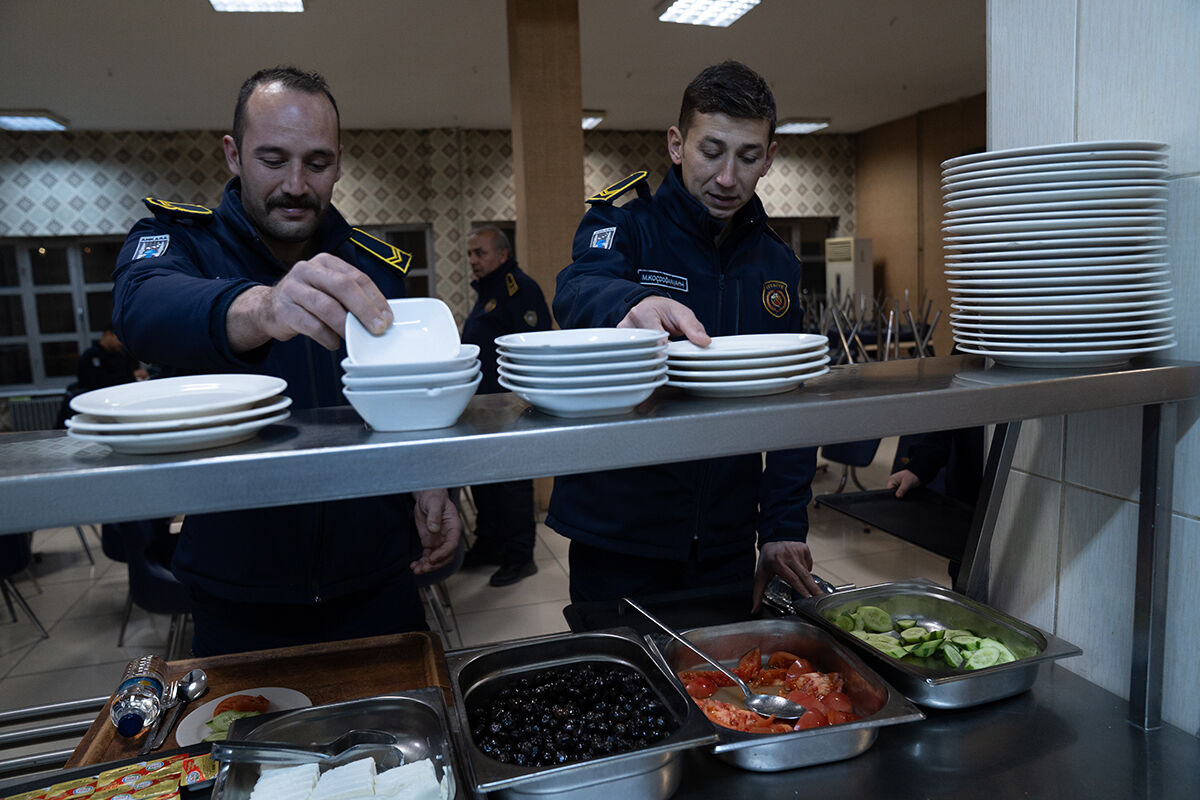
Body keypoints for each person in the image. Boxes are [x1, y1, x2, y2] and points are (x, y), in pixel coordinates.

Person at [111, 66, 460, 655]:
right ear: (233, 154)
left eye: (317, 163)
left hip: (377, 579)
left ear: (340, 162)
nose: (296, 184)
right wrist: (261, 307)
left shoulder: (374, 266)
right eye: (273, 159)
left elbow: (412, 390)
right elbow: (141, 310)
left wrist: (431, 481)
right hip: (238, 591)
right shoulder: (181, 243)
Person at [550, 61, 821, 609]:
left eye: (747, 157)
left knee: (718, 688)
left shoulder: (777, 262)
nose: (727, 178)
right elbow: (577, 288)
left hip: (724, 542)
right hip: (617, 534)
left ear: (769, 158)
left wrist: (783, 526)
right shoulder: (627, 225)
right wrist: (632, 302)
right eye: (711, 151)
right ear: (677, 144)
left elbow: (792, 404)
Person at [460, 226, 551, 586]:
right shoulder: (489, 291)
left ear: (501, 254)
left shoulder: (519, 288)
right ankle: (490, 544)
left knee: (511, 483)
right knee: (485, 482)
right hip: (483, 407)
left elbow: (534, 347)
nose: (473, 261)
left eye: (479, 253)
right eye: (469, 254)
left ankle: (519, 556)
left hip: (508, 407)